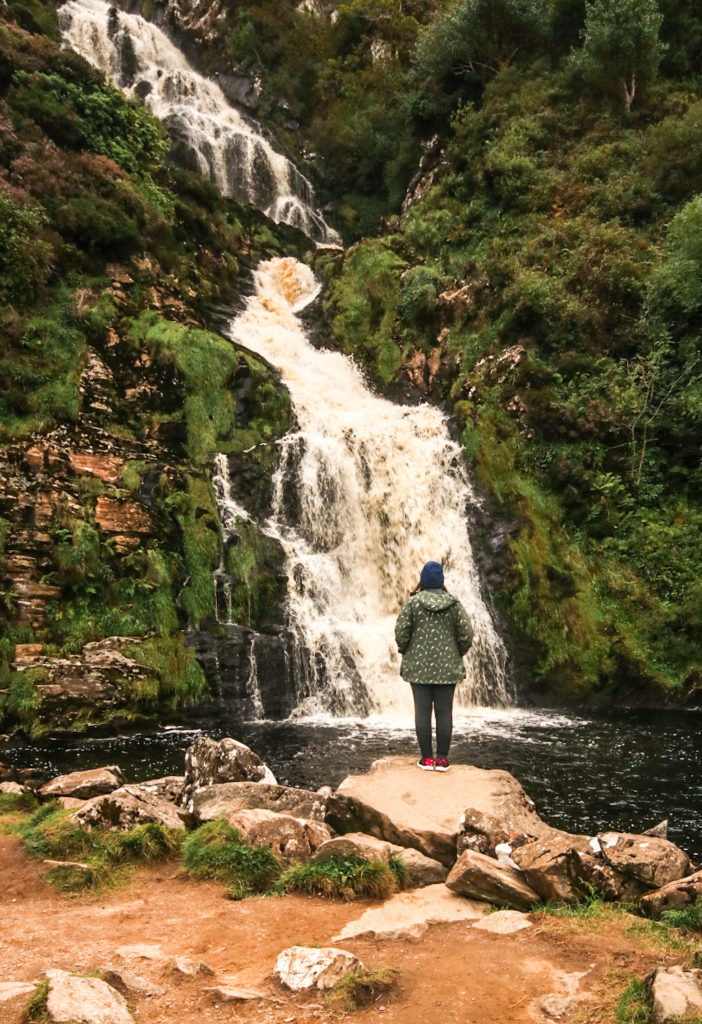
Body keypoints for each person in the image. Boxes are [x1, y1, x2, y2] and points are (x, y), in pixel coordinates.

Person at [394, 560, 473, 772]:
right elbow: (467, 635)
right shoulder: (454, 604)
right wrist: (456, 653)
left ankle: (427, 760)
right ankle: (443, 759)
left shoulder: (413, 603)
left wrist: (406, 651)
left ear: (423, 581)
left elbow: (401, 633)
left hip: (418, 668)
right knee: (444, 712)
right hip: (448, 668)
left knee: (422, 711)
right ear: (441, 581)